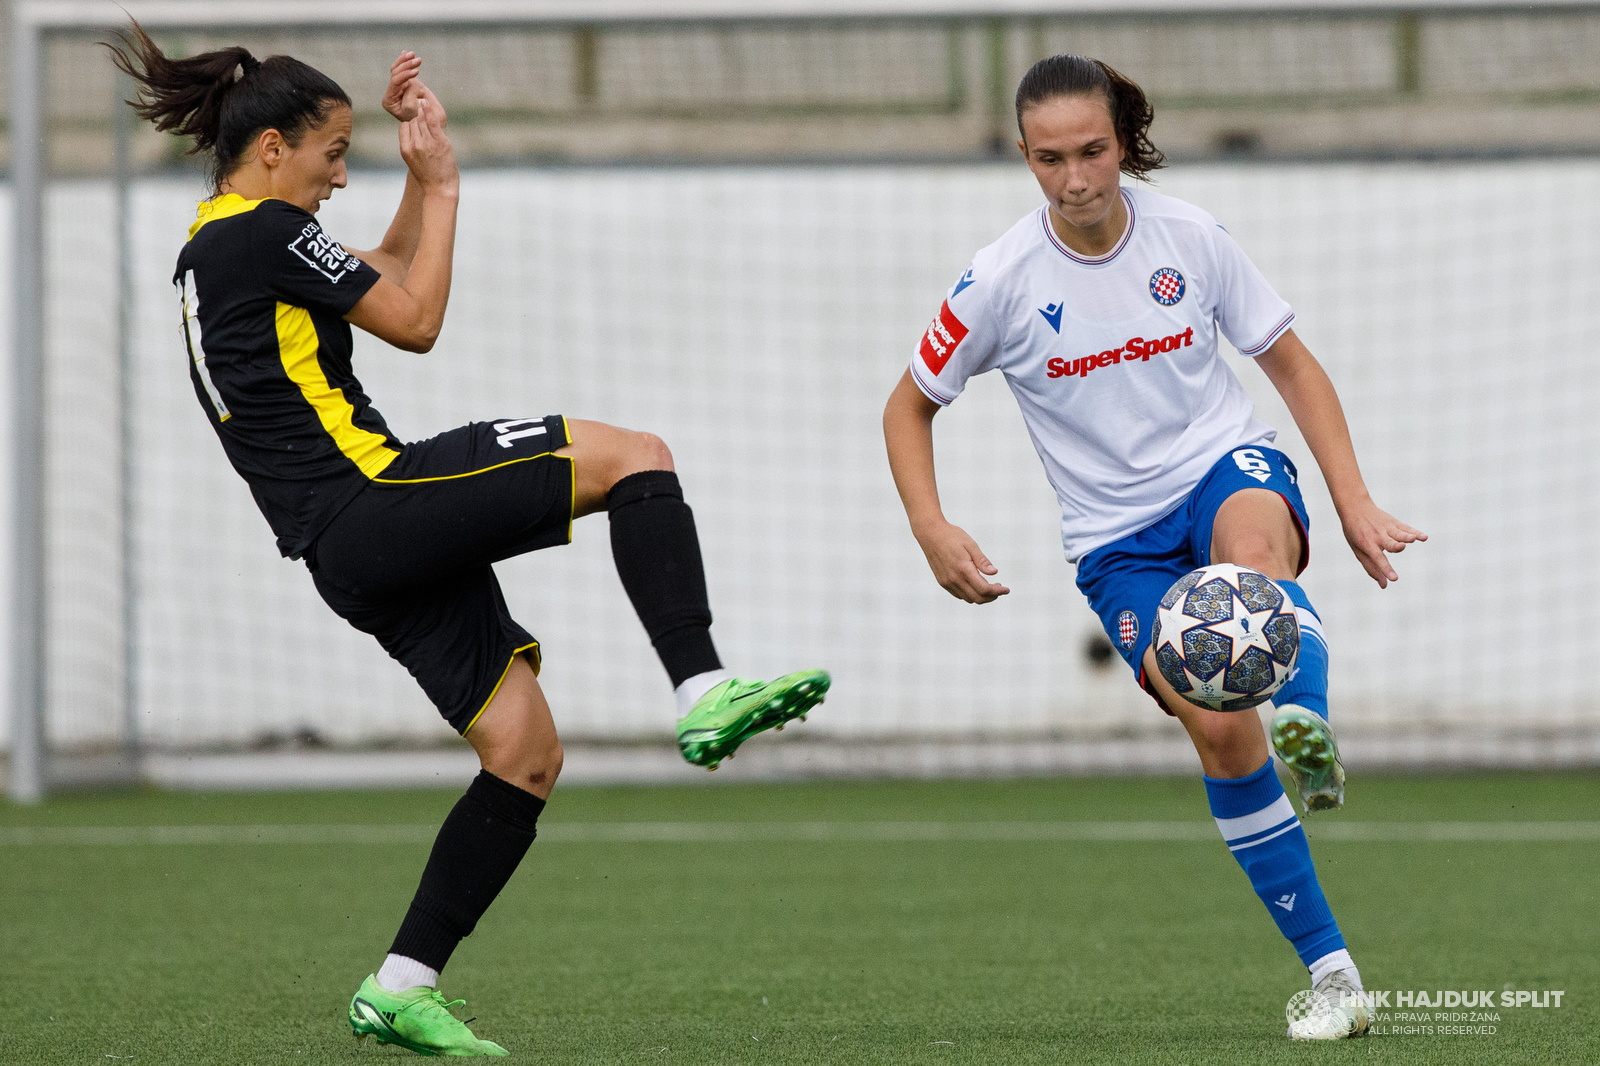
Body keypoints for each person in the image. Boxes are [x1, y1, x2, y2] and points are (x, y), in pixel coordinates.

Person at [110, 26, 828, 1057]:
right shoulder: (260, 234)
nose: (340, 175)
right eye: (331, 153)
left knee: (523, 752)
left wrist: (426, 175)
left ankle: (401, 983)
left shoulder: (218, 244)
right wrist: (443, 189)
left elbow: (379, 268)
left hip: (347, 551)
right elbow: (414, 315)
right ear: (271, 148)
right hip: (377, 499)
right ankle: (699, 686)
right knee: (637, 456)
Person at [882, 54, 1425, 1041]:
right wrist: (932, 527)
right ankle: (1335, 975)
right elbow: (906, 405)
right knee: (1219, 731)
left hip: (1223, 464)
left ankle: (1306, 725)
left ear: (1121, 144)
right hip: (1113, 539)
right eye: (1049, 159)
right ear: (1023, 157)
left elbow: (1290, 366)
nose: (1075, 178)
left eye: (1092, 151)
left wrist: (1349, 498)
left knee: (1249, 563)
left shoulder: (1190, 237)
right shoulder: (999, 279)